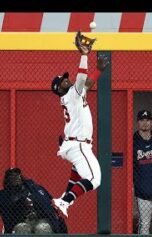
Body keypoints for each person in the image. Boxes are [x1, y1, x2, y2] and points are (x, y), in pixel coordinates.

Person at [50, 31, 109, 219]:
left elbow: (87, 83)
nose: (66, 79)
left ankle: (65, 199)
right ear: (59, 89)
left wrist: (98, 70)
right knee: (94, 179)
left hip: (74, 144)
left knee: (78, 170)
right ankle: (65, 200)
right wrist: (84, 55)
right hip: (78, 144)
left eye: (66, 78)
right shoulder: (70, 94)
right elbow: (82, 78)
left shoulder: (73, 95)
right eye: (62, 81)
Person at [0, 167, 67, 234]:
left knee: (42, 228)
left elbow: (48, 205)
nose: (15, 178)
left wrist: (37, 213)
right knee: (22, 229)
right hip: (20, 221)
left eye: (17, 175)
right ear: (7, 180)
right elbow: (7, 215)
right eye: (12, 176)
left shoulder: (35, 189)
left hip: (41, 218)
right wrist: (22, 204)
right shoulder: (4, 196)